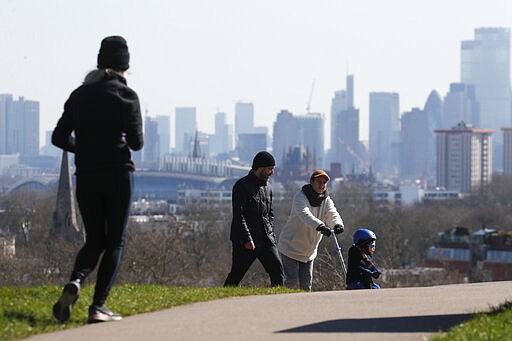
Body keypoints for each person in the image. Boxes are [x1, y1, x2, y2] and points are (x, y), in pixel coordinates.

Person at [51, 36, 143, 323]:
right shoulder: (127, 96)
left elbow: (58, 138)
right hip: (117, 174)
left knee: (94, 241)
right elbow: (137, 143)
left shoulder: (79, 95)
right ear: (124, 66)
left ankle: (76, 281)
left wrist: (84, 148)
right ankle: (98, 307)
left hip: (87, 175)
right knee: (114, 241)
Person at [224, 151, 284, 287]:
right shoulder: (241, 186)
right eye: (270, 169)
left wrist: (272, 235)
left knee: (277, 270)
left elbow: (270, 214)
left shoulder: (268, 188)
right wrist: (247, 239)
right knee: (236, 275)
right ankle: (222, 300)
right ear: (260, 168)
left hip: (266, 239)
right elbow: (239, 215)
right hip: (245, 241)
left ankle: (278, 301)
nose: (272, 172)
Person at [277, 169, 344, 291]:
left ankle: (304, 308)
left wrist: (337, 224)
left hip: (309, 250)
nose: (322, 185)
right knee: (292, 280)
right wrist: (320, 226)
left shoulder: (326, 200)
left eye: (324, 182)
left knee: (307, 283)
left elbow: (332, 213)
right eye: (319, 181)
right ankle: (284, 303)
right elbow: (305, 215)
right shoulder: (300, 197)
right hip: (290, 246)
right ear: (312, 182)